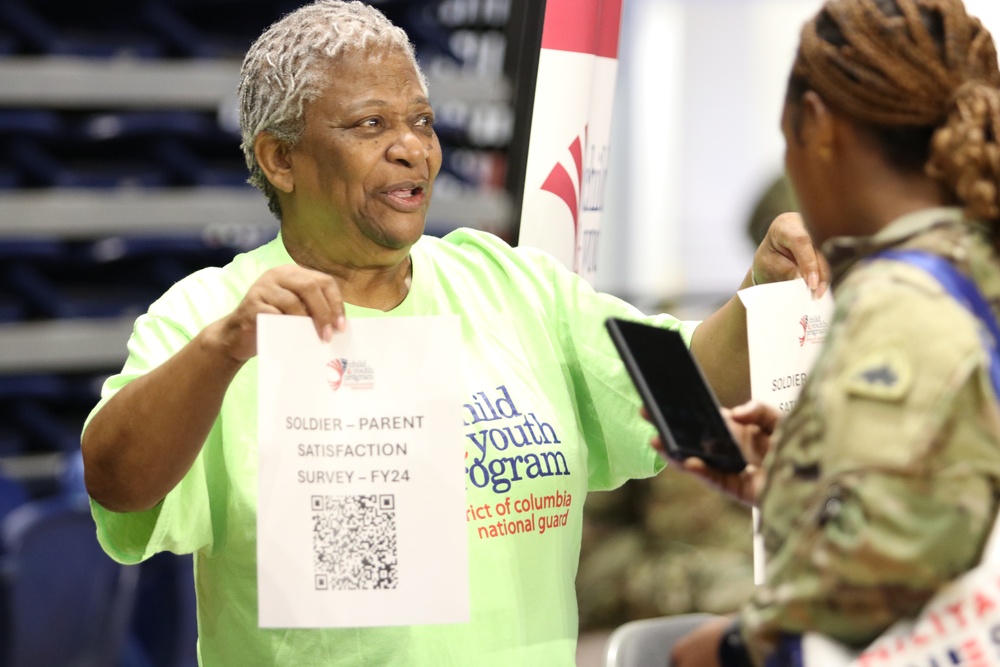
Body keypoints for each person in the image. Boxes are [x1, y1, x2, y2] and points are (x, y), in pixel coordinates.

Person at [79, 2, 824, 665]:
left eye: (422, 121)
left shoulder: (508, 284)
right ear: (280, 158)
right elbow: (117, 484)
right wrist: (223, 348)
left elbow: (686, 386)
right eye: (371, 124)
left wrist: (763, 290)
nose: (413, 148)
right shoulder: (213, 312)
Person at [665, 1, 1000, 665]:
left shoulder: (898, 297)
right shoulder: (971, 266)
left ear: (815, 124)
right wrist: (801, 478)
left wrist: (735, 646)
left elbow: (879, 565)